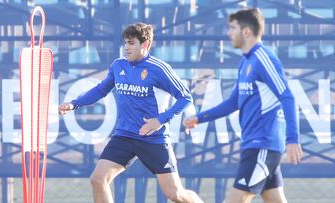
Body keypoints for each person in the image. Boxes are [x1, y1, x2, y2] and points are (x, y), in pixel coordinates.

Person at [59, 22, 203, 203]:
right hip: (124, 136)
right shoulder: (119, 66)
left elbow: (185, 98)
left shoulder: (159, 69)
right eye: (125, 43)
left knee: (175, 194)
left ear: (145, 44)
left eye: (131, 43)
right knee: (98, 179)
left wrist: (159, 120)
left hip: (153, 138)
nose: (126, 48)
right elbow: (101, 90)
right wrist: (75, 104)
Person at [183, 8, 303, 203]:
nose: (229, 33)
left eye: (232, 28)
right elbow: (233, 103)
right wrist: (199, 117)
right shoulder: (246, 62)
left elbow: (287, 97)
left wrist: (293, 139)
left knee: (236, 200)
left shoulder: (264, 58)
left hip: (262, 144)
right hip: (257, 145)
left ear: (246, 31)